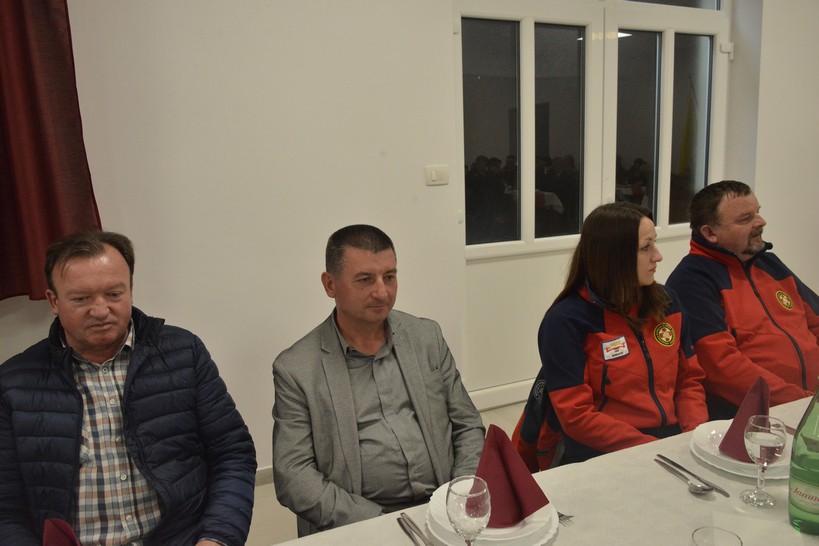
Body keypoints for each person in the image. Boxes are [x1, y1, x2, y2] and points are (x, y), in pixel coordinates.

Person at [0, 231, 256, 546]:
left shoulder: (183, 354)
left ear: (130, 290)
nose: (100, 310)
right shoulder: (14, 384)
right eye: (81, 299)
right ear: (54, 301)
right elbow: (6, 507)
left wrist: (217, 538)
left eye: (113, 294)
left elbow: (233, 454)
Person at [272, 224, 485, 536]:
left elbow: (467, 425)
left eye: (389, 277)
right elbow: (293, 474)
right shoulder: (297, 369)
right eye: (365, 279)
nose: (382, 292)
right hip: (360, 522)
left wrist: (459, 494)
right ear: (330, 284)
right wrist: (378, 522)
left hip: (443, 506)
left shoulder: (426, 337)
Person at [513, 203, 707, 470]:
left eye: (655, 243)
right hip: (601, 452)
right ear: (614, 257)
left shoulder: (667, 302)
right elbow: (577, 416)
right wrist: (653, 450)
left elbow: (689, 381)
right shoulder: (566, 321)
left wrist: (695, 436)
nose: (658, 256)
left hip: (671, 441)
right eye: (646, 247)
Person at [666, 180, 819, 419]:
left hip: (806, 407)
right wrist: (801, 403)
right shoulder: (691, 281)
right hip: (755, 419)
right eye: (746, 219)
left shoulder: (770, 264)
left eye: (757, 212)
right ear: (710, 233)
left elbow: (816, 323)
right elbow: (722, 368)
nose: (761, 222)